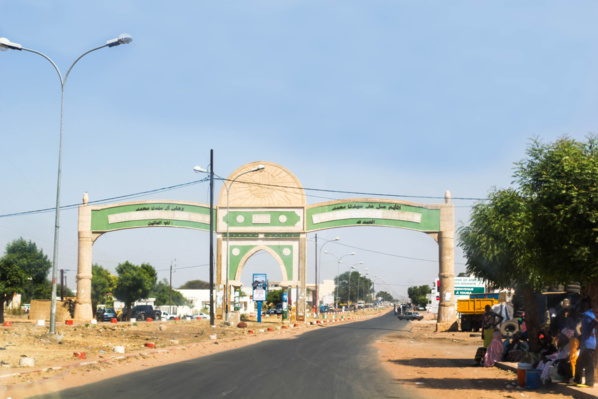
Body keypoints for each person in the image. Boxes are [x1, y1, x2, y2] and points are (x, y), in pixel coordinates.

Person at [574, 298, 597, 388]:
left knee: (589, 363)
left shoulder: (588, 314)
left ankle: (589, 383)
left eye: (585, 305)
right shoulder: (587, 314)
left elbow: (596, 321)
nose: (583, 306)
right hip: (585, 344)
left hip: (589, 343)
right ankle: (577, 380)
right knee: (579, 363)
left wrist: (591, 330)